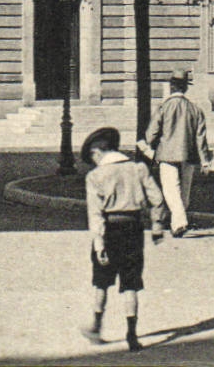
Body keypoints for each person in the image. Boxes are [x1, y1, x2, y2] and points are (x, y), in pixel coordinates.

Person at [79, 126, 167, 352]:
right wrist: (157, 226)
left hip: (109, 229)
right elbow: (157, 199)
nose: (94, 160)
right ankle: (132, 335)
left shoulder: (95, 176)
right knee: (131, 283)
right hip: (133, 228)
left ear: (98, 151)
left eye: (93, 156)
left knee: (101, 281)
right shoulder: (138, 169)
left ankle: (96, 326)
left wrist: (99, 244)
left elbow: (95, 214)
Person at [137, 67, 213, 236]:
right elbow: (201, 138)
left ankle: (179, 223)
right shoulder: (196, 109)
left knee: (171, 189)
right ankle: (177, 222)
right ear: (185, 88)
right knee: (185, 190)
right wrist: (205, 161)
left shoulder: (164, 107)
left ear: (172, 86)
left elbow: (151, 133)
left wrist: (147, 144)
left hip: (167, 154)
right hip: (189, 154)